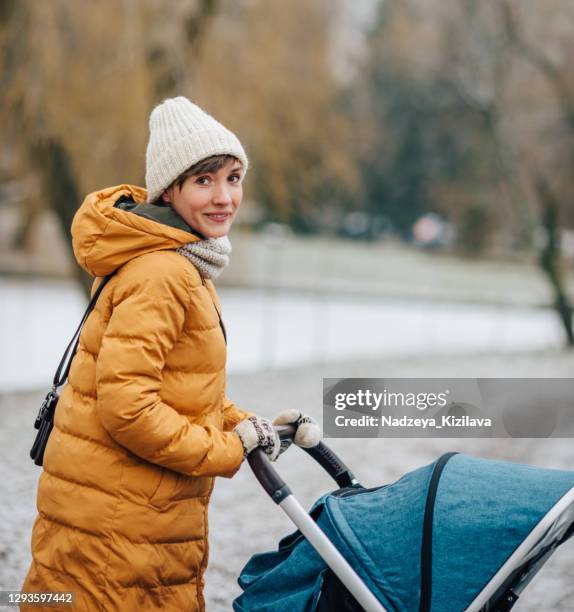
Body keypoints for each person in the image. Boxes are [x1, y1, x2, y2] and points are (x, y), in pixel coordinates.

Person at [22, 97, 321, 611]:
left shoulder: (181, 263)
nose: (225, 197)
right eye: (204, 181)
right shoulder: (164, 273)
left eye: (233, 177)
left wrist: (252, 426)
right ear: (169, 190)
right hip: (119, 535)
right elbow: (129, 408)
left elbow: (180, 390)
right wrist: (228, 450)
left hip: (123, 520)